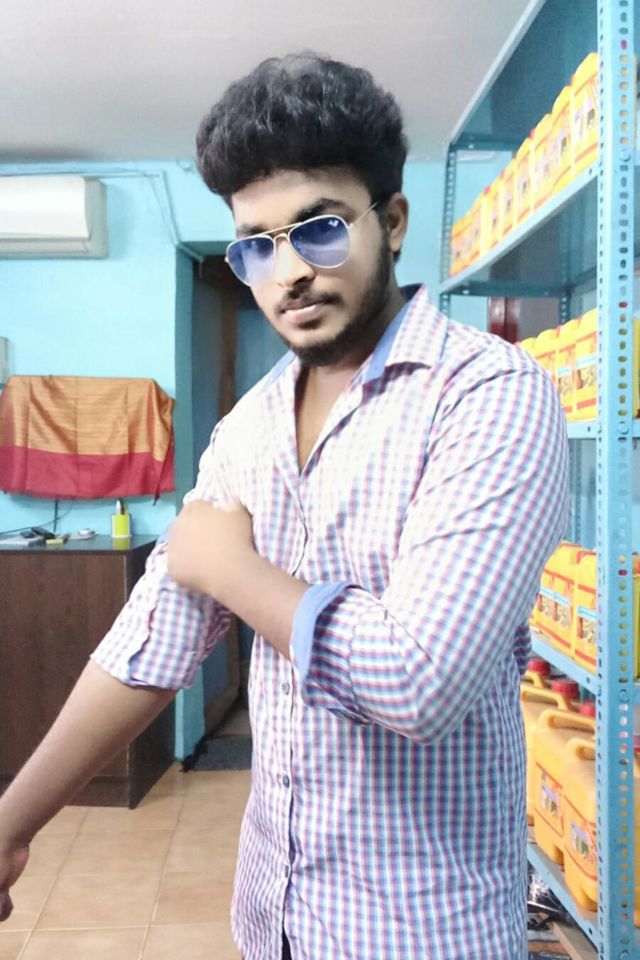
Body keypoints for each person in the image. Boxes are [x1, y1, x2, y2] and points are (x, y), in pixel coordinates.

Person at [0, 53, 569, 960]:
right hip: (274, 916)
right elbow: (152, 640)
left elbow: (420, 681)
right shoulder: (249, 427)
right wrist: (12, 824)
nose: (288, 271)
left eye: (320, 228)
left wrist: (232, 569)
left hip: (422, 930)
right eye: (256, 245)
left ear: (392, 220)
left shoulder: (489, 394)